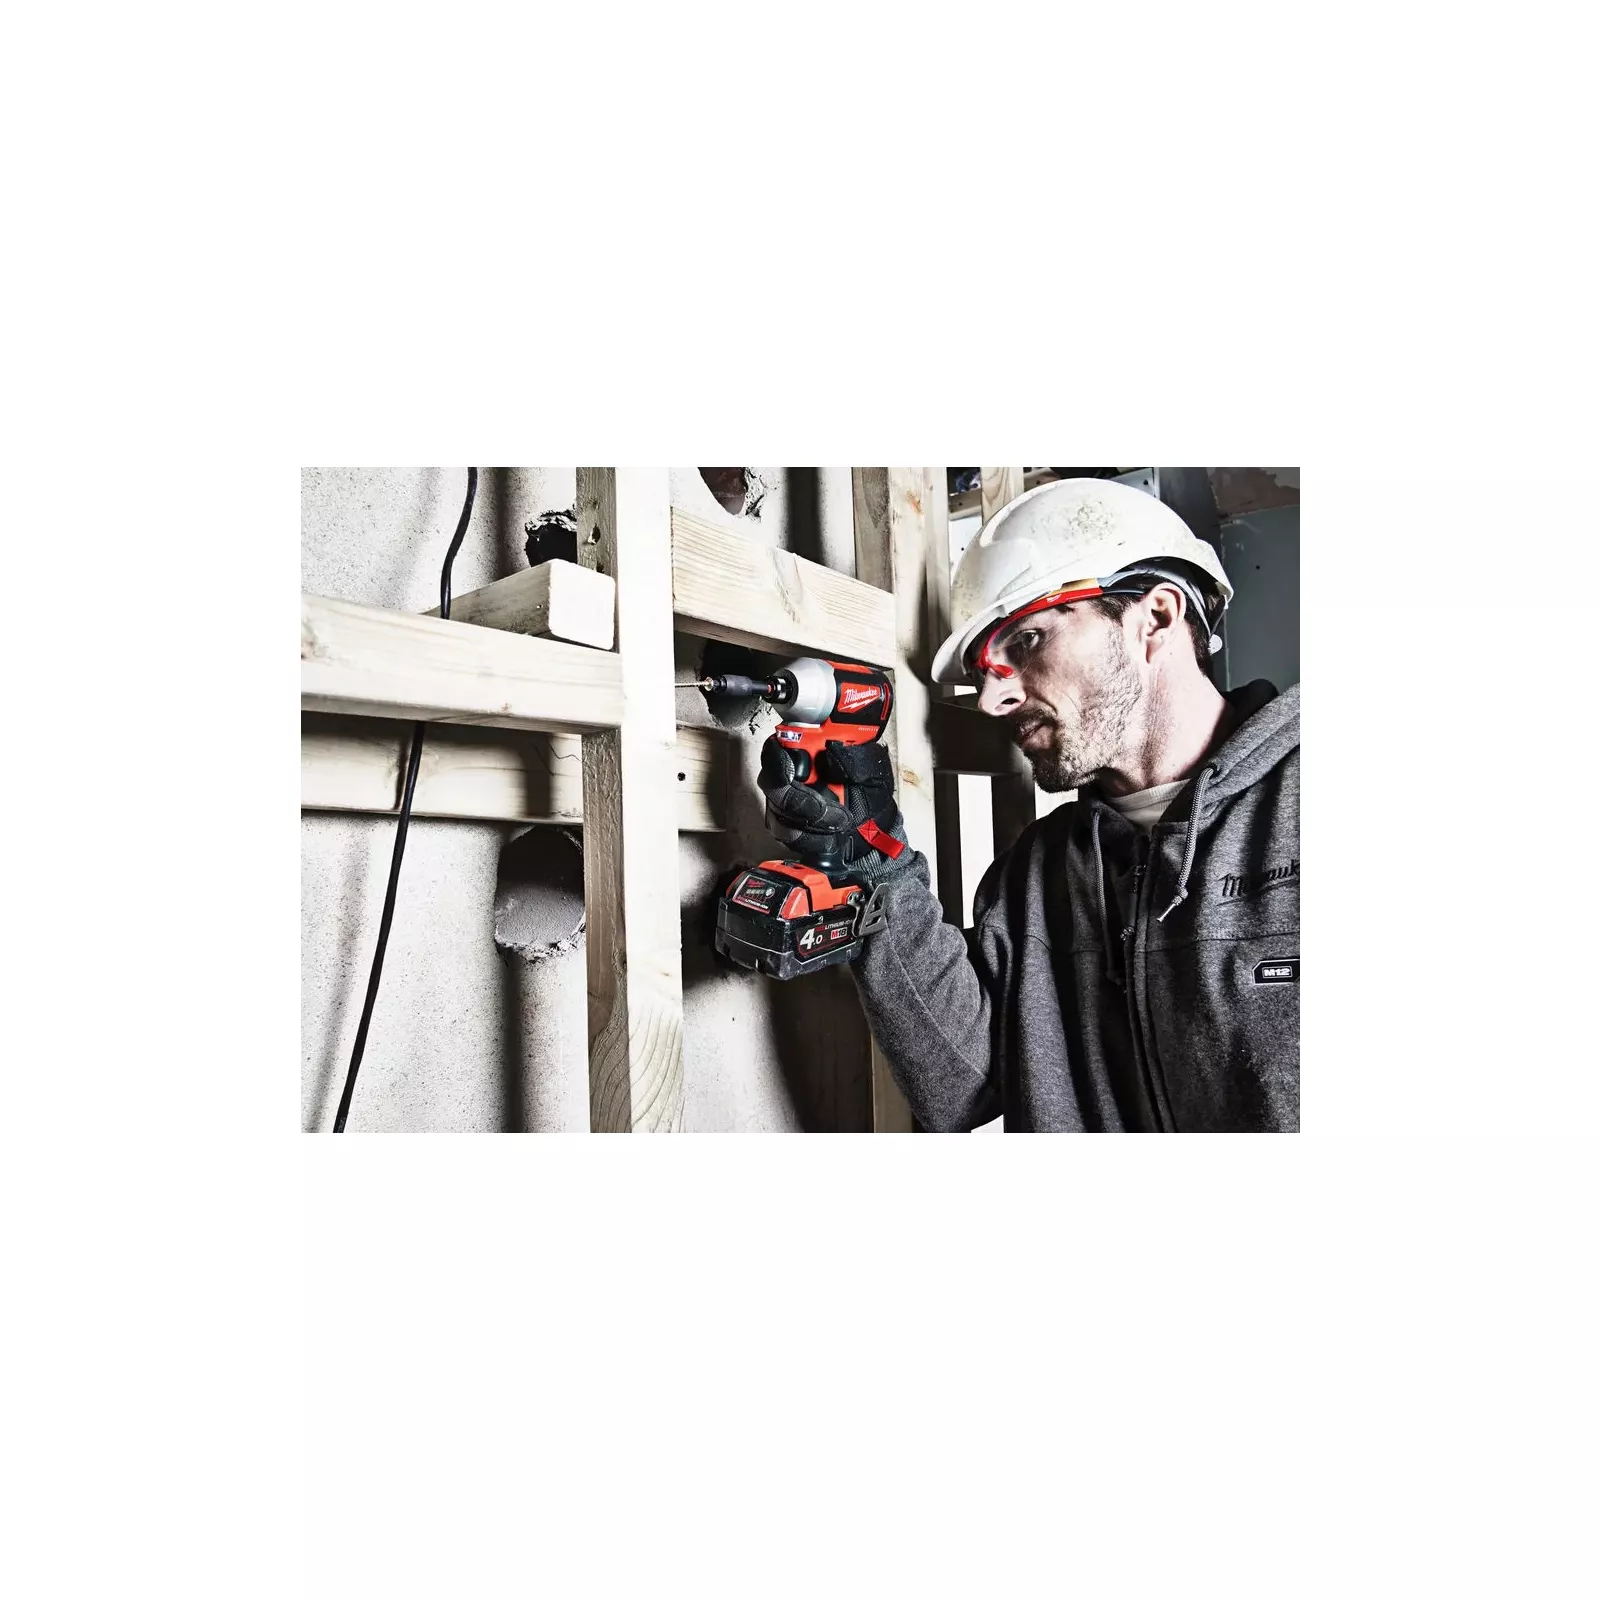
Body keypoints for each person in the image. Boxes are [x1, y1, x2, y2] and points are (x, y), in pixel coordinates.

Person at [758, 476, 1299, 1131]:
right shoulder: (1036, 874)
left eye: (1027, 641)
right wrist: (872, 863)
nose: (992, 702)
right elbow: (963, 1087)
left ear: (1155, 619)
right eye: (983, 672)